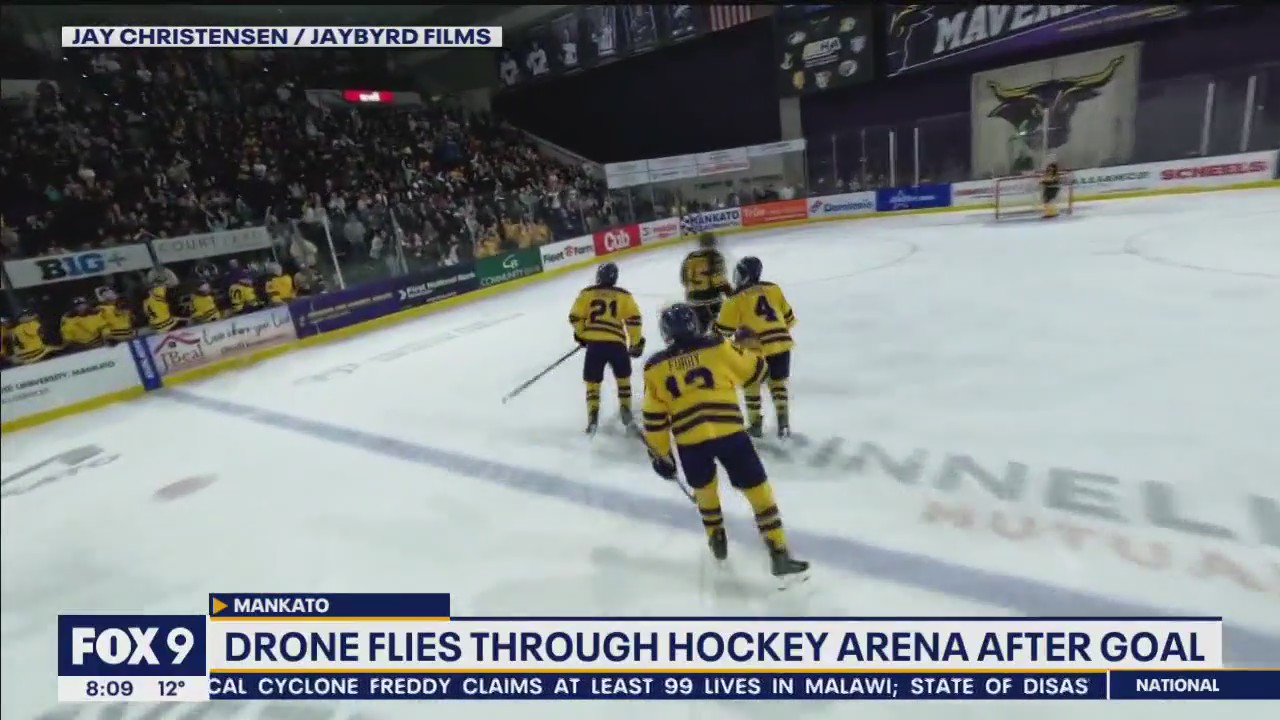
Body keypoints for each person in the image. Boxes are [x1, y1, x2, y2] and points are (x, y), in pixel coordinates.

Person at [641, 303, 809, 582]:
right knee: (758, 492)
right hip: (729, 433)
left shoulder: (654, 368)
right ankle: (778, 552)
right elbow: (757, 373)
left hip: (690, 442)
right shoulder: (718, 347)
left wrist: (661, 455)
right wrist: (750, 348)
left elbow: (654, 418)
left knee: (706, 493)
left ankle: (716, 537)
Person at [714, 257, 797, 438]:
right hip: (782, 343)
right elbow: (789, 319)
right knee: (777, 383)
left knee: (751, 383)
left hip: (754, 349)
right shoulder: (774, 288)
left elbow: (722, 332)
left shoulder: (734, 300)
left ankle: (755, 424)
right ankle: (783, 422)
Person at [567, 262, 645, 434]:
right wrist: (635, 342)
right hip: (617, 345)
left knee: (592, 382)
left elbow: (574, 317)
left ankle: (593, 416)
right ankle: (626, 409)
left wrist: (582, 334)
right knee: (623, 378)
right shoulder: (624, 296)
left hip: (595, 346)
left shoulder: (587, 293)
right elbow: (634, 320)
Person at [680, 232, 733, 334]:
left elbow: (683, 280)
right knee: (719, 331)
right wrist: (731, 295)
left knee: (700, 332)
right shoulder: (715, 256)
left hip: (692, 300)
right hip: (712, 301)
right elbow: (719, 280)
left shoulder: (689, 257)